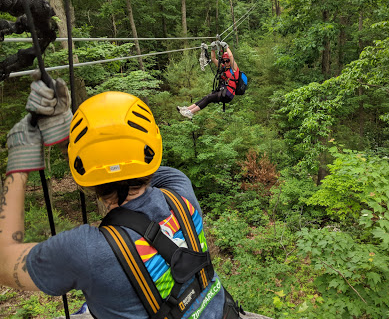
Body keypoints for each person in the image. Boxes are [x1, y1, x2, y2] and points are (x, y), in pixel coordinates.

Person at [0, 75, 242, 318]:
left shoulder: (86, 251)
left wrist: (19, 164)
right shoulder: (179, 190)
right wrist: (69, 131)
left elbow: (4, 261)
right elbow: (131, 161)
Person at [177, 41, 239, 119]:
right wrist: (213, 49)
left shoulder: (234, 69)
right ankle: (188, 109)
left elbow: (231, 56)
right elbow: (213, 59)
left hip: (228, 94)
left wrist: (227, 47)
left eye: (227, 61)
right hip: (223, 91)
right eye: (224, 61)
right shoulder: (223, 68)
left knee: (209, 98)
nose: (226, 63)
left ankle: (190, 112)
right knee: (206, 97)